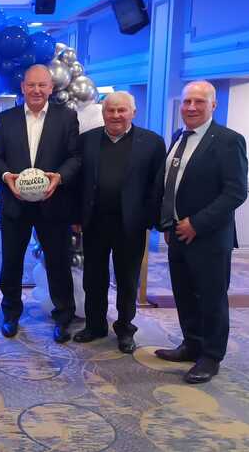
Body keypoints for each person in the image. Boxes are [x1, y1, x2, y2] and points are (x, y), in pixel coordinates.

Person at [155, 80, 247, 384]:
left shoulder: (228, 140)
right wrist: (168, 222)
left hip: (209, 237)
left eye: (199, 102)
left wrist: (197, 223)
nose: (191, 107)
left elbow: (235, 192)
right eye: (186, 102)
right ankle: (191, 344)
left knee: (211, 297)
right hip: (177, 233)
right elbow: (172, 184)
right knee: (183, 293)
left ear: (213, 106)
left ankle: (211, 356)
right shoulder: (178, 137)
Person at [0, 64, 81, 343]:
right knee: (11, 262)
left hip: (53, 202)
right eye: (31, 85)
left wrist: (59, 177)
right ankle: (11, 314)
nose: (37, 90)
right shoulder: (6, 118)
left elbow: (75, 157)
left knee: (58, 262)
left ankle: (63, 317)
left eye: (42, 85)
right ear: (23, 87)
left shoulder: (67, 117)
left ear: (51, 88)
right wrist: (6, 176)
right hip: (15, 202)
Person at [72, 91, 166, 353]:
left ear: (133, 113)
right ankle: (95, 325)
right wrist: (76, 217)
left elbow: (157, 185)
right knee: (94, 278)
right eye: (110, 110)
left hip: (131, 225)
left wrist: (149, 219)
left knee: (127, 280)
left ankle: (125, 329)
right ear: (103, 113)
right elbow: (78, 183)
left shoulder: (152, 143)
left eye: (121, 110)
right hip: (94, 222)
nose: (115, 115)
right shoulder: (87, 140)